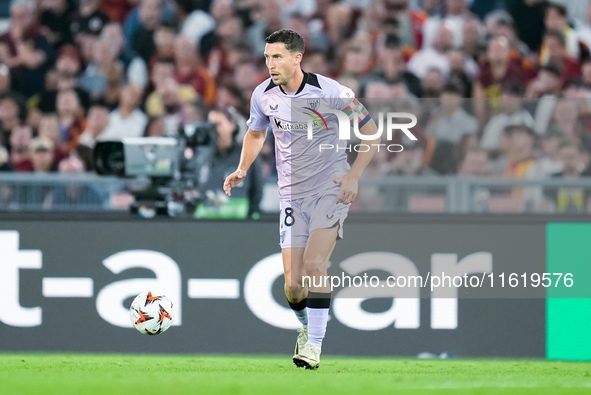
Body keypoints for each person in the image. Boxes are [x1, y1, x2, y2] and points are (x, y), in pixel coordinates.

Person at [223, 29, 379, 369]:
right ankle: (308, 328)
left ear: (297, 58)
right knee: (294, 286)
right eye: (266, 57)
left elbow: (371, 133)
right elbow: (255, 132)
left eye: (277, 57)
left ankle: (315, 347)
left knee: (314, 265)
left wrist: (353, 175)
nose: (270, 64)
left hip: (331, 188)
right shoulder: (263, 95)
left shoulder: (333, 91)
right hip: (291, 195)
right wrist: (242, 167)